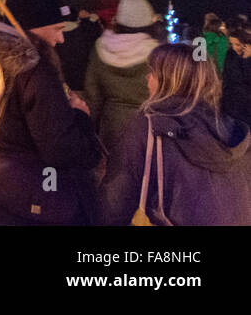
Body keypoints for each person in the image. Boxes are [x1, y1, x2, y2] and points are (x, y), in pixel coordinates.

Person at [0, 0, 102, 225]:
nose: (60, 40)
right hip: (30, 198)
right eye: (57, 29)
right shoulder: (35, 69)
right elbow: (61, 149)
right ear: (33, 27)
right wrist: (81, 117)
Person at [100, 42, 251, 224]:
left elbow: (117, 196)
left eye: (153, 72)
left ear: (170, 81)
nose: (147, 78)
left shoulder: (150, 125)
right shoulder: (232, 128)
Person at [83, 0, 161, 154]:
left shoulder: (101, 48)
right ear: (148, 22)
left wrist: (90, 130)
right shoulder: (158, 53)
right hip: (150, 125)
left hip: (111, 127)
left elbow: (93, 96)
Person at [57, 7, 103, 93]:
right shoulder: (85, 32)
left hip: (69, 80)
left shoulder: (54, 38)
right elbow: (96, 32)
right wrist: (87, 20)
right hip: (87, 78)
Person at [224, 25, 251, 128]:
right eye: (232, 44)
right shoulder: (231, 54)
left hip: (247, 102)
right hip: (231, 101)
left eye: (238, 44)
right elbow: (229, 76)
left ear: (246, 44)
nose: (235, 47)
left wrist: (246, 60)